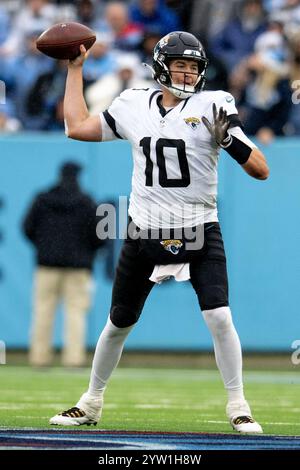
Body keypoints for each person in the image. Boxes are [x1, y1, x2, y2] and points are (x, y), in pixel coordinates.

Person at [49, 31, 269, 432]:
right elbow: (76, 126)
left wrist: (231, 143)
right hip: (145, 231)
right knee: (119, 322)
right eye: (181, 65)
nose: (187, 74)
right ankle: (91, 402)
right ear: (161, 67)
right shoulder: (134, 103)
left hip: (198, 229)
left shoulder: (214, 103)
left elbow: (260, 169)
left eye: (193, 67)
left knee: (219, 316)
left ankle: (239, 405)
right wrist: (75, 71)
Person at [23, 161, 103, 367]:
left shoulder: (42, 200)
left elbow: (27, 228)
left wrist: (44, 248)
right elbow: (100, 237)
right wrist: (86, 253)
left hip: (47, 266)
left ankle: (39, 358)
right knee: (75, 313)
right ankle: (73, 359)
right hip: (78, 267)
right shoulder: (86, 203)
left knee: (43, 311)